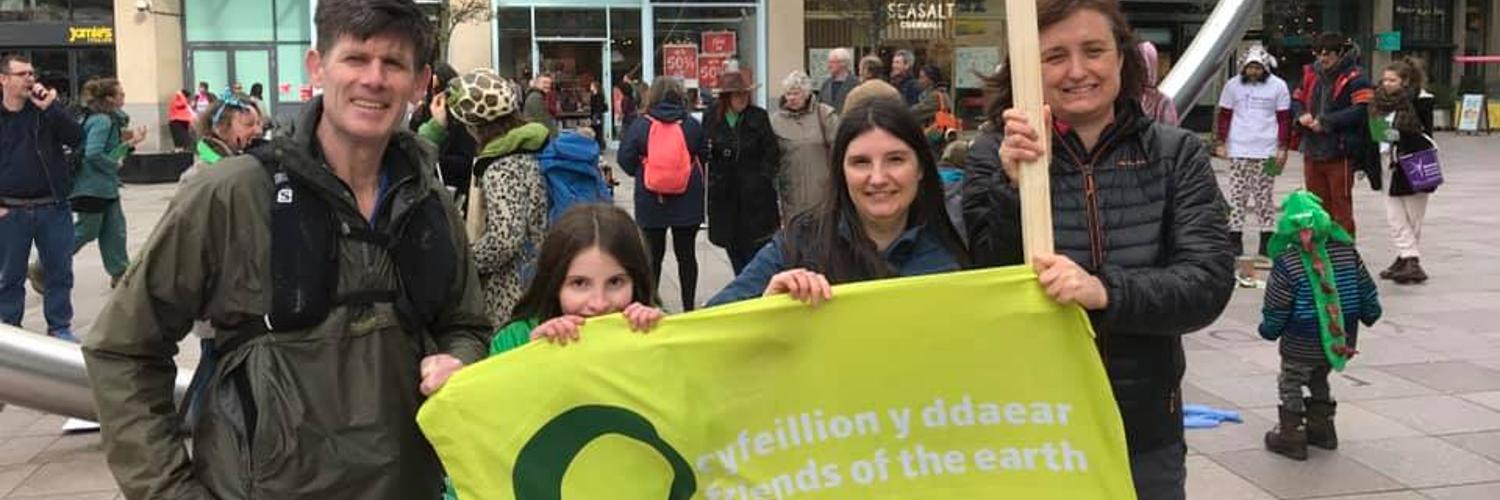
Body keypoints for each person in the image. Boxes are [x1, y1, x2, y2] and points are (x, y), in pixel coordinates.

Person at [81, 1, 491, 497]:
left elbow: (466, 325)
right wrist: (170, 491)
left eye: (394, 63)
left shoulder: (429, 201)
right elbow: (121, 348)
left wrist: (459, 360)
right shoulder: (231, 194)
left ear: (421, 81)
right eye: (356, 59)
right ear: (317, 66)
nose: (374, 79)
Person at [962, 1, 1234, 498]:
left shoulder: (1175, 155)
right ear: (1027, 66)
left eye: (1094, 51)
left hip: (1144, 429)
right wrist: (1011, 188)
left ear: (1123, 59)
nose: (1078, 71)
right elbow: (980, 281)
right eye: (1055, 56)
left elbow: (1207, 285)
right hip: (1034, 424)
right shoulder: (991, 155)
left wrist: (1104, 291)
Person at [709, 98, 969, 306]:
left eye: (896, 160)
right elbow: (708, 329)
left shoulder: (960, 243)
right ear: (840, 171)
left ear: (921, 167)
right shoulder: (797, 245)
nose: (877, 178)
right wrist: (765, 309)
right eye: (860, 162)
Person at [1258, 190, 1381, 461]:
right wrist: (1371, 313)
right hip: (1339, 340)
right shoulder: (1347, 252)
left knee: (1291, 380)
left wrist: (1269, 329)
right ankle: (1323, 429)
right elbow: (1366, 290)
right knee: (1319, 376)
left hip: (1301, 339)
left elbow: (1277, 305)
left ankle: (1292, 433)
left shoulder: (1287, 262)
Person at [428, 68, 550, 329]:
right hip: (540, 271)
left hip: (514, 287)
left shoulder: (502, 166)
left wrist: (463, 259)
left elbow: (504, 240)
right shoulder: (531, 144)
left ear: (474, 125)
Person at [490, 204, 664, 352]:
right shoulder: (514, 341)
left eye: (615, 282)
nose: (599, 304)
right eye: (579, 283)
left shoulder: (655, 332)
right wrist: (530, 356)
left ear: (637, 282)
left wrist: (662, 341)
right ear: (554, 284)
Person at [0, 53, 82, 341]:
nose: (29, 79)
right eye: (22, 74)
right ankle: (10, 329)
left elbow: (76, 137)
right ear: (4, 79)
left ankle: (59, 326)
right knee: (9, 276)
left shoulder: (44, 112)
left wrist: (52, 108)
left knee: (59, 271)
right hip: (11, 211)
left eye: (31, 74)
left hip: (53, 206)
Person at [617, 76, 707, 312]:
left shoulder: (640, 125)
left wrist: (643, 170)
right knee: (686, 256)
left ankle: (652, 305)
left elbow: (624, 159)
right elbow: (704, 155)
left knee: (652, 257)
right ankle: (688, 307)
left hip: (651, 200)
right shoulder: (691, 125)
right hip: (687, 199)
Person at [1215, 44, 1291, 287]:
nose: (1254, 71)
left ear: (1265, 67)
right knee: (1237, 195)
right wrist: (1220, 142)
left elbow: (1284, 119)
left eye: (1258, 67)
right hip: (1239, 148)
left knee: (1264, 196)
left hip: (1267, 149)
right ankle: (1234, 238)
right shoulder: (1232, 86)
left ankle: (1266, 240)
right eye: (1250, 68)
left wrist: (1282, 147)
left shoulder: (1278, 86)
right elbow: (1225, 114)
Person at [1291, 33, 1375, 236]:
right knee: (1315, 204)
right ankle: (1321, 248)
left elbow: (1362, 109)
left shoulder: (1356, 77)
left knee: (1341, 204)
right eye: (1318, 53)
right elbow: (1296, 99)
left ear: (1340, 53)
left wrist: (1328, 121)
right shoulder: (1311, 73)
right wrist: (1301, 115)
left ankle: (1345, 251)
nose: (1322, 58)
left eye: (1327, 53)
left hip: (1340, 150)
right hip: (1312, 149)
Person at [705, 70, 782, 274]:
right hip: (725, 195)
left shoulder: (758, 116)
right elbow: (706, 151)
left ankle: (751, 284)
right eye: (738, 95)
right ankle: (742, 280)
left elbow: (772, 152)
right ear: (727, 97)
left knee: (755, 247)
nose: (742, 99)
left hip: (755, 195)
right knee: (733, 246)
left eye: (745, 94)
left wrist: (763, 178)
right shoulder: (712, 117)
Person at [70, 78, 143, 289]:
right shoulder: (102, 121)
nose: (124, 98)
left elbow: (108, 152)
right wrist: (113, 165)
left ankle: (120, 272)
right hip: (91, 187)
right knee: (87, 230)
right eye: (120, 95)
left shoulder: (109, 119)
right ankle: (46, 265)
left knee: (115, 229)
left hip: (105, 186)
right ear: (109, 98)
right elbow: (93, 153)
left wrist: (130, 144)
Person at [1370, 58, 1436, 285]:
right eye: (1385, 79)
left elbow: (1422, 135)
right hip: (1387, 162)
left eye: (1392, 80)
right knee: (1394, 215)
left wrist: (1392, 135)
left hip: (1413, 161)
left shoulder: (1421, 101)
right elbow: (1376, 133)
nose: (1386, 84)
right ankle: (1408, 258)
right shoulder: (1378, 103)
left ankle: (1408, 259)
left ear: (1405, 81)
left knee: (1413, 216)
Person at [771, 70, 839, 222]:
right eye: (788, 94)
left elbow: (840, 151)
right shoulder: (775, 121)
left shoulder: (825, 115)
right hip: (792, 195)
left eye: (796, 93)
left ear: (807, 93)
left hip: (824, 194)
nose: (792, 98)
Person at [414, 63, 479, 203]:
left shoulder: (461, 119)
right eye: (430, 89)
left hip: (453, 192)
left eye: (437, 89)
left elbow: (466, 162)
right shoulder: (422, 113)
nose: (433, 94)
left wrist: (436, 159)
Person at [182, 92, 263, 181]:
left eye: (259, 124)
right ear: (220, 128)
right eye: (249, 124)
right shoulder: (200, 177)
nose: (259, 131)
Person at [911, 64, 955, 149]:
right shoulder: (939, 93)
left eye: (922, 77)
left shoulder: (935, 96)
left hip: (934, 138)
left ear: (930, 80)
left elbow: (917, 112)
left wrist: (900, 112)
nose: (919, 80)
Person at [1137, 41, 1180, 126]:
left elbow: (1169, 134)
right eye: (1138, 65)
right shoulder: (1127, 99)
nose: (1144, 71)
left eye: (1145, 65)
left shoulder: (1163, 103)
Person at [818, 48, 855, 112]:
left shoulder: (855, 84)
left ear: (843, 63)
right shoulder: (826, 84)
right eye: (828, 62)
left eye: (832, 62)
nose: (829, 66)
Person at [589, 80, 608, 150]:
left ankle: (599, 147)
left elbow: (598, 107)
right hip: (595, 116)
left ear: (595, 87)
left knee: (597, 132)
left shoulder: (598, 96)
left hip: (597, 116)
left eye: (591, 85)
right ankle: (598, 146)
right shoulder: (594, 96)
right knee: (596, 131)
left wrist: (597, 116)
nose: (590, 87)